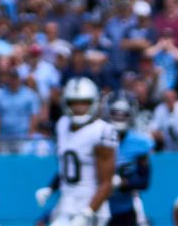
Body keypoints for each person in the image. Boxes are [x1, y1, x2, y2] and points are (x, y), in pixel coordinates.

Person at [34, 78, 117, 226]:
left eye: (84, 102)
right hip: (66, 203)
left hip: (90, 204)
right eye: (74, 102)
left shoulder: (102, 131)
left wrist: (88, 212)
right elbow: (68, 168)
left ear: (94, 102)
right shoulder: (62, 124)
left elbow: (106, 183)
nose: (79, 107)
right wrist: (50, 188)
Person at [104, 93, 152, 226]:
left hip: (126, 207)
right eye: (115, 113)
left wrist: (122, 183)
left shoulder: (139, 143)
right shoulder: (97, 137)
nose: (119, 117)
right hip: (99, 206)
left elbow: (144, 181)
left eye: (123, 114)